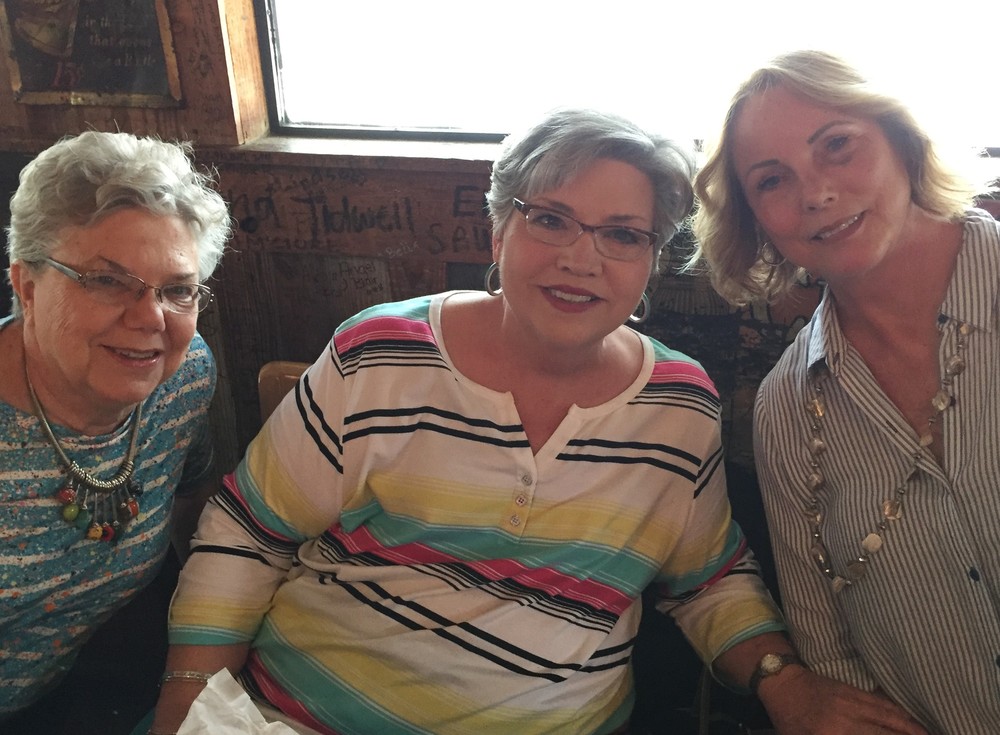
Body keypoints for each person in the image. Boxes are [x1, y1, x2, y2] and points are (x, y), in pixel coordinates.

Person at [146, 107, 921, 735]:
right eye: (551, 219)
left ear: (651, 260)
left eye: (623, 234)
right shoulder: (379, 354)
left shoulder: (678, 405)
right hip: (300, 714)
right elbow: (248, 535)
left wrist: (787, 683)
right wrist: (188, 700)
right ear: (498, 230)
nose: (581, 258)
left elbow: (708, 582)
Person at [692, 49, 1000, 734]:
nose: (815, 193)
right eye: (772, 180)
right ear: (756, 221)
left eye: (836, 145)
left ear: (902, 140)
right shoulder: (785, 407)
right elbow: (829, 651)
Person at [0, 130, 233, 719]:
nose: (151, 317)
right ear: (26, 285)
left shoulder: (181, 378)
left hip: (103, 684)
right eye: (106, 281)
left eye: (177, 290)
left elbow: (195, 509)